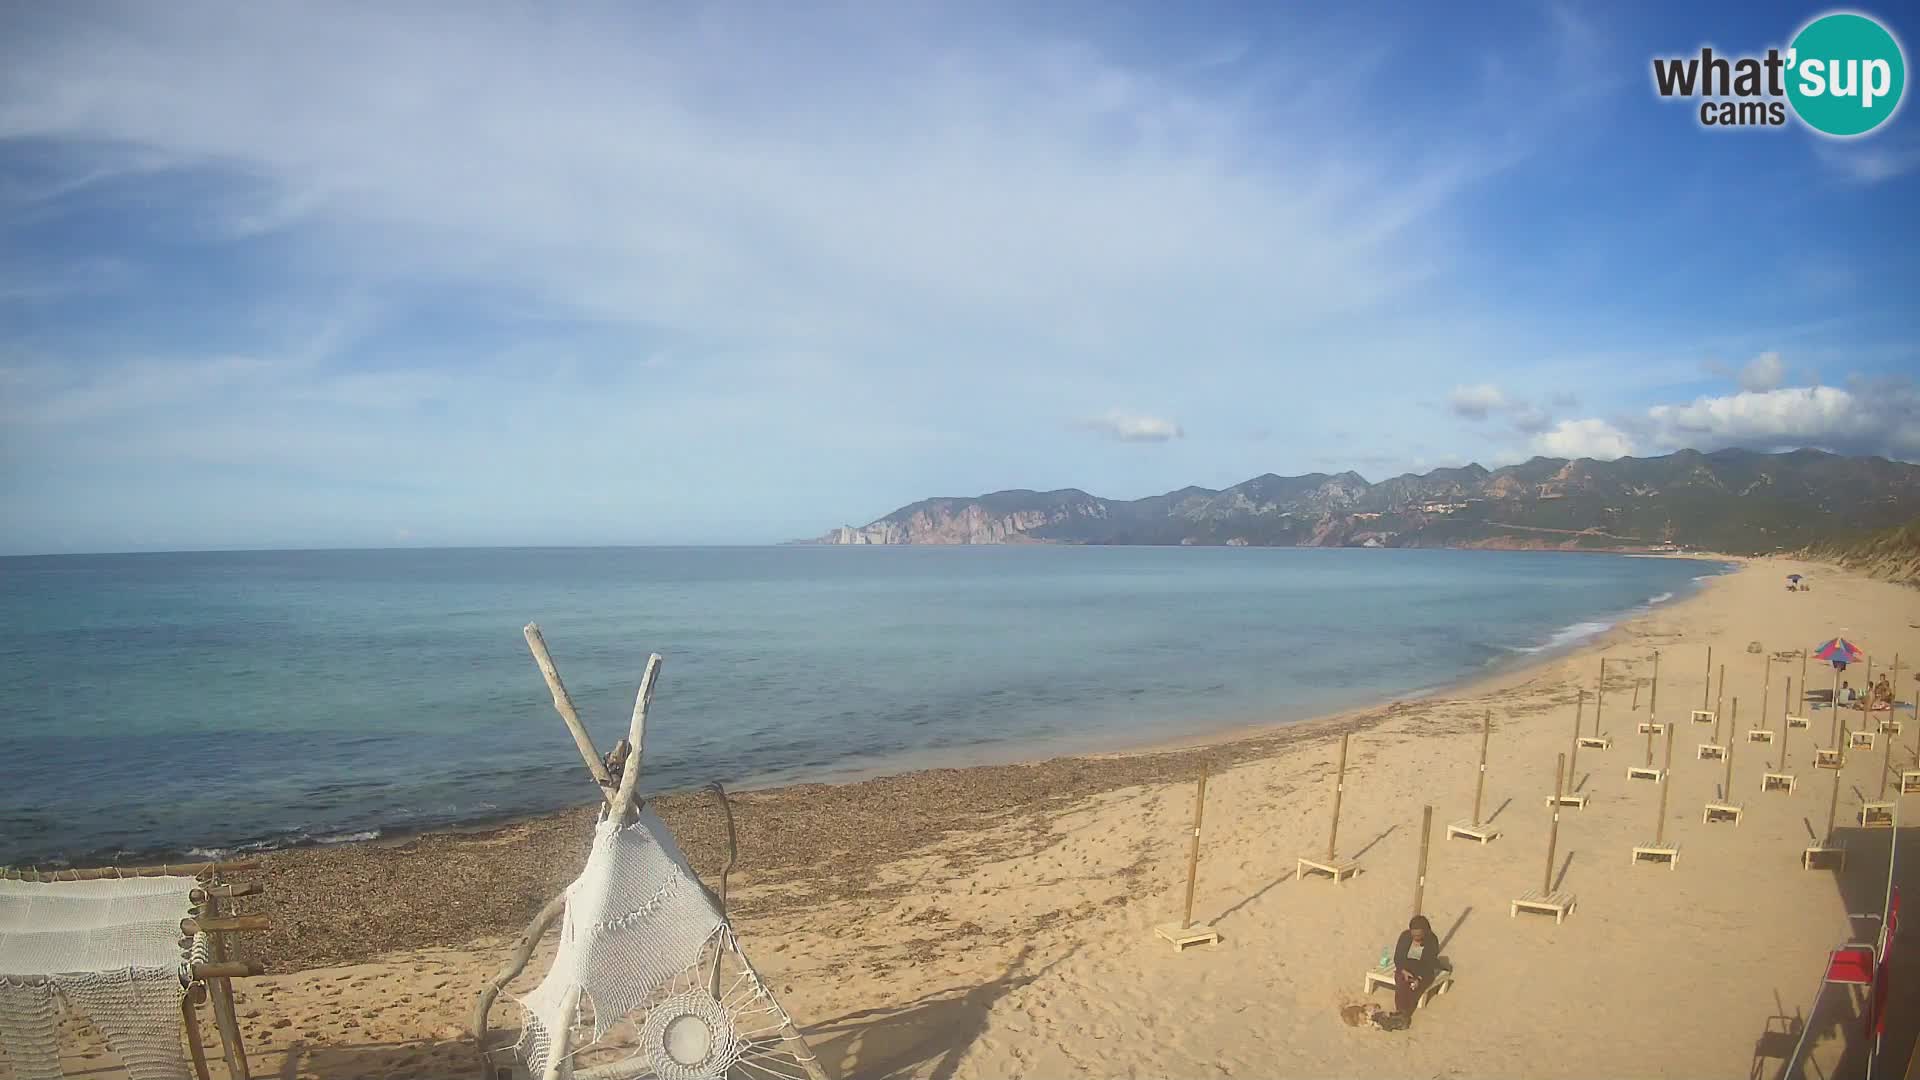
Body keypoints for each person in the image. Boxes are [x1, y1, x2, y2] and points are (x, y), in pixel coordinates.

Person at [1392, 914, 1444, 1023]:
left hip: (1423, 970)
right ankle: (1401, 1012)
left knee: (1414, 987)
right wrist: (1403, 970)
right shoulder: (1405, 937)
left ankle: (1404, 1013)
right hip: (1406, 967)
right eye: (1414, 935)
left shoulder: (1432, 940)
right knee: (1402, 982)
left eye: (1419, 935)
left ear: (1425, 932)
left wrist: (1419, 978)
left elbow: (1429, 964)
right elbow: (1398, 957)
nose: (1416, 937)